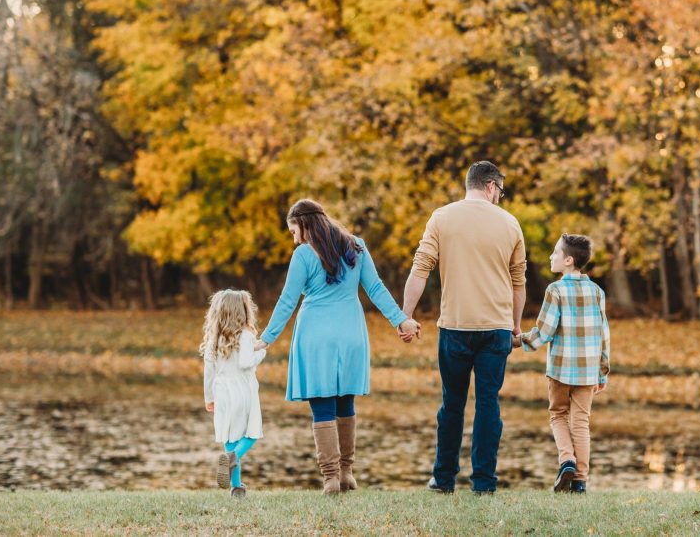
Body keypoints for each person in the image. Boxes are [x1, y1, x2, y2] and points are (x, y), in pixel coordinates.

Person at [254, 199, 421, 494]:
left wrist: (266, 338)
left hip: (315, 336)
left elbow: (287, 301)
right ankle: (347, 473)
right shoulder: (356, 246)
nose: (294, 238)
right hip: (351, 334)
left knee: (322, 406)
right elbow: (376, 288)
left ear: (304, 224)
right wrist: (401, 320)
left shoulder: (304, 255)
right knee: (345, 403)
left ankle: (330, 477)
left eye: (293, 231)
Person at [400, 160, 527, 495]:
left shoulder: (441, 217)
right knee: (489, 403)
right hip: (497, 328)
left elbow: (420, 268)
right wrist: (515, 328)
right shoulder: (511, 224)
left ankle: (443, 479)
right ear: (489, 186)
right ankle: (483, 483)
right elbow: (519, 283)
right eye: (500, 190)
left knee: (452, 404)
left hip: (455, 327)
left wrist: (405, 315)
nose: (500, 197)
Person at [519, 234, 610, 493]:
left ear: (568, 260)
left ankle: (566, 460)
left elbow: (544, 332)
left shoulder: (555, 290)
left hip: (560, 369)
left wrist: (519, 341)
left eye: (555, 253)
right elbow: (604, 333)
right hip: (588, 371)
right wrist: (603, 372)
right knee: (580, 422)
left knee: (558, 415)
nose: (551, 257)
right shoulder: (597, 291)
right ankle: (580, 482)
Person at [201, 288, 267, 499]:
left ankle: (236, 487)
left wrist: (208, 398)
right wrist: (262, 352)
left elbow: (208, 371)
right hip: (243, 390)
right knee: (251, 433)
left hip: (222, 392)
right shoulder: (246, 334)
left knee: (230, 436)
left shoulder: (214, 338)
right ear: (244, 311)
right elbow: (246, 362)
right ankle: (234, 458)